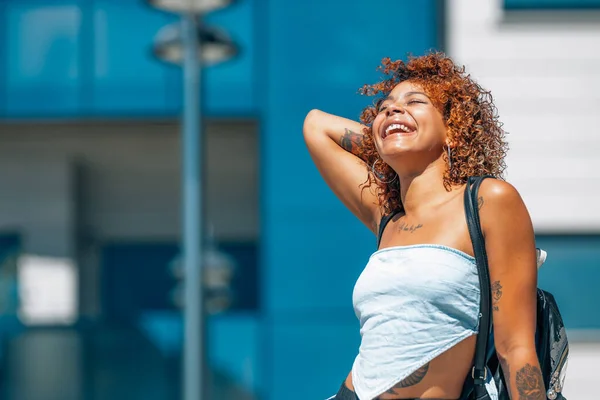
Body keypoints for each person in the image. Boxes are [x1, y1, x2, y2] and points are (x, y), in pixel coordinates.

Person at [303, 53, 545, 400]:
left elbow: (516, 349)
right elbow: (315, 126)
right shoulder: (387, 215)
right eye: (384, 108)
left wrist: (396, 133)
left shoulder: (487, 201)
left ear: (454, 131)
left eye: (414, 102)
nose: (392, 110)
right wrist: (388, 139)